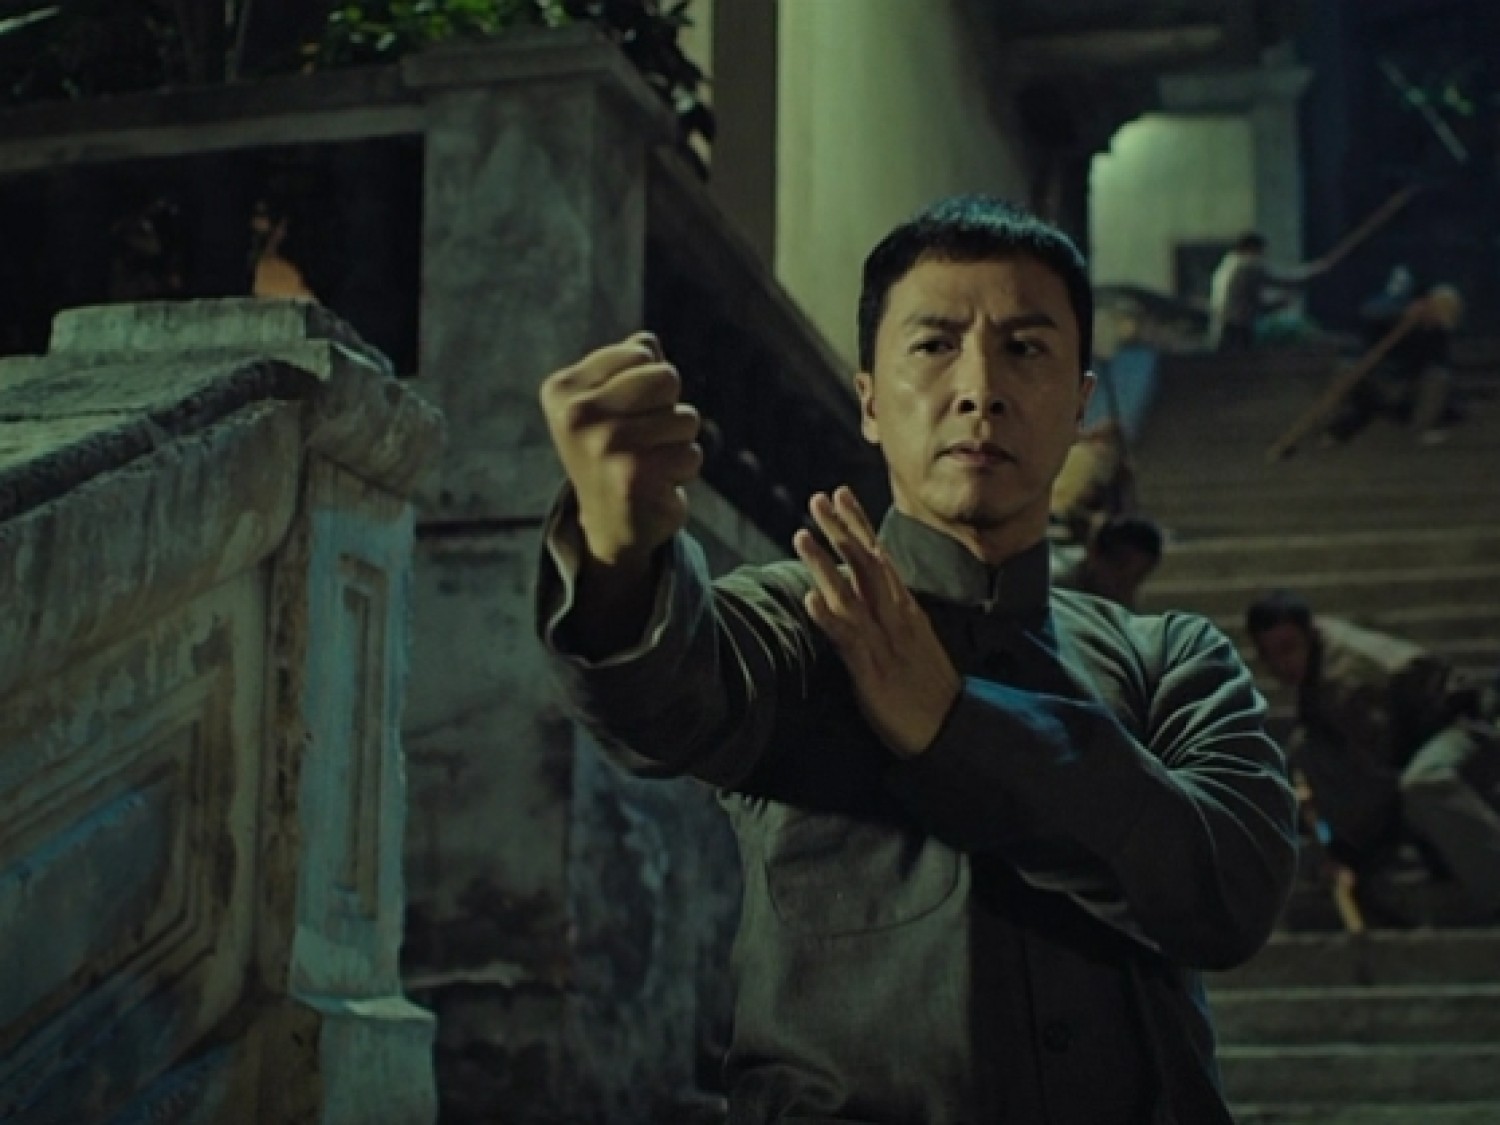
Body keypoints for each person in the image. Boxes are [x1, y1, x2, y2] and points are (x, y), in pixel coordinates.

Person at [536, 195, 1297, 1124]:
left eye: (1025, 348)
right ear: (869, 402)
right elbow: (667, 693)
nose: (981, 388)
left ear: (1080, 405)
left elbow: (1229, 890)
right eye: (935, 344)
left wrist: (955, 725)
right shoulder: (807, 619)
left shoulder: (1170, 659)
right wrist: (618, 553)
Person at [1246, 590, 1500, 927]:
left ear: (1307, 635)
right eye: (1269, 655)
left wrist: (1347, 850)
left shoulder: (1346, 678)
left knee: (1426, 783)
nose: (1281, 665)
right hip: (1407, 742)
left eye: (1288, 649)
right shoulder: (1319, 668)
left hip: (1460, 726)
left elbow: (1380, 775)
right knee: (1306, 750)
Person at [1322, 280, 1464, 448]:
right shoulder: (1392, 313)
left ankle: (1419, 431)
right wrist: (1402, 315)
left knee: (1438, 378)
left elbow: (1436, 367)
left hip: (1405, 389)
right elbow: (1369, 312)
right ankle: (1327, 424)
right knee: (1345, 369)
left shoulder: (1438, 336)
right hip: (1373, 378)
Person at [1207, 232, 1307, 352]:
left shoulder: (1229, 263)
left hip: (1222, 326)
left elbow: (1250, 301)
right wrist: (1321, 269)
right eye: (1261, 251)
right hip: (1236, 329)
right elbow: (1286, 280)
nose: (1263, 256)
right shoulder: (1248, 265)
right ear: (1252, 248)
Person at [1053, 513, 1164, 611]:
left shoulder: (1122, 604)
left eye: (1137, 576)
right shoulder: (1056, 597)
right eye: (1120, 567)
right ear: (1094, 554)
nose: (1125, 584)